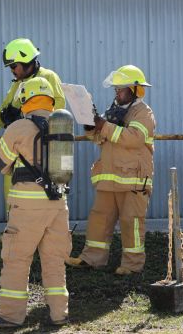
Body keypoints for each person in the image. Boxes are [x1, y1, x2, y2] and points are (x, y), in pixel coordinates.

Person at [0, 77, 72, 328]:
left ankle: (11, 316)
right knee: (54, 261)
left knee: (17, 259)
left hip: (27, 207)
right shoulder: (62, 126)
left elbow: (0, 164)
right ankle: (59, 314)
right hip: (58, 204)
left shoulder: (19, 127)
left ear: (24, 100)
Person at [65, 65, 156, 275]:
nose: (117, 93)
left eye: (120, 89)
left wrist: (103, 125)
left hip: (133, 181)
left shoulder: (144, 113)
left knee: (131, 222)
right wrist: (91, 126)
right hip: (109, 178)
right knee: (99, 219)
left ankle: (132, 266)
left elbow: (134, 138)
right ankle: (91, 259)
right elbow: (99, 138)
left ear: (135, 90)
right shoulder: (115, 111)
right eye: (116, 89)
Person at [0, 38, 66, 210]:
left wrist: (28, 118)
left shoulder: (48, 77)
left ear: (26, 61)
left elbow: (58, 109)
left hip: (43, 150)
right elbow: (3, 112)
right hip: (19, 151)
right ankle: (12, 224)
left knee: (46, 197)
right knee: (12, 196)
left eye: (14, 66)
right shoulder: (18, 84)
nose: (12, 71)